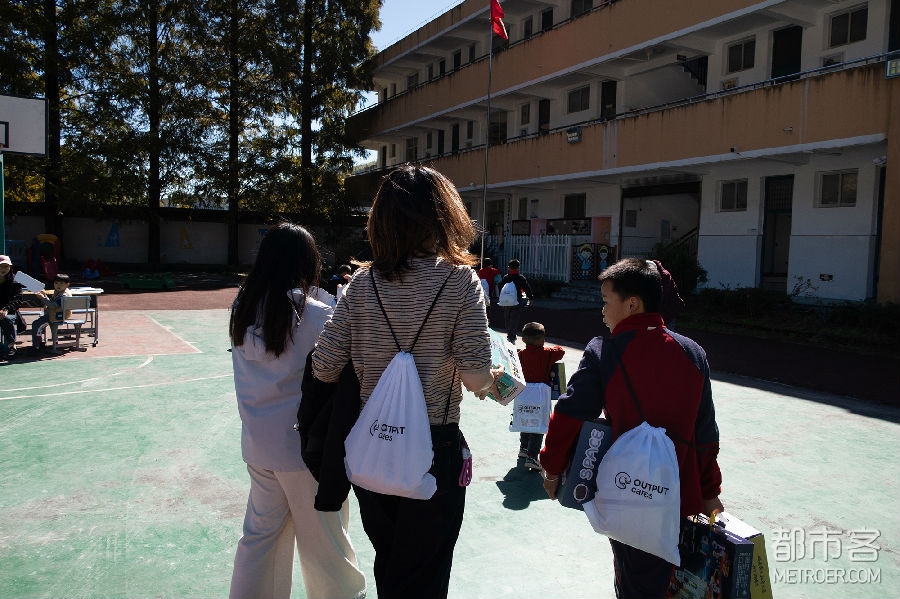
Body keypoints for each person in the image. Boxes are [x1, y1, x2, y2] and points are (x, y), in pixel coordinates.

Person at [311, 164, 502, 599]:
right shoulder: (459, 281)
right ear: (445, 216)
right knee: (425, 574)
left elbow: (324, 366)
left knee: (391, 564)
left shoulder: (361, 284)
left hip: (372, 445)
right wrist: (495, 382)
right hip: (433, 448)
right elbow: (475, 376)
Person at [539, 257, 723, 598]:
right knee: (665, 579)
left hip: (627, 491)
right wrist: (710, 492)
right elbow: (705, 434)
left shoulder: (604, 351)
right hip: (678, 495)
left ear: (632, 304)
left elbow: (570, 413)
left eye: (606, 301)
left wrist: (551, 467)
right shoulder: (693, 353)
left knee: (633, 580)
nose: (603, 312)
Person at [228, 223, 366, 599]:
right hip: (306, 450)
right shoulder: (315, 315)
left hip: (258, 446)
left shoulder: (242, 309)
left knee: (260, 538)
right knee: (325, 542)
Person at [516, 322, 565, 471]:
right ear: (543, 339)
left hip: (523, 393)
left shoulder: (521, 354)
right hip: (540, 395)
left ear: (523, 339)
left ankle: (524, 448)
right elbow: (561, 351)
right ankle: (532, 457)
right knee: (538, 425)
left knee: (525, 419)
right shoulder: (548, 353)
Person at [31, 273, 73, 353]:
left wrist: (43, 298)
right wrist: (45, 295)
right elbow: (51, 302)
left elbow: (53, 306)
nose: (58, 285)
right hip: (54, 314)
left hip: (56, 316)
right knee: (36, 324)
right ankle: (39, 343)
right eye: (56, 283)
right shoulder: (58, 292)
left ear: (67, 284)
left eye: (61, 283)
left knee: (36, 325)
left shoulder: (64, 295)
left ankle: (36, 347)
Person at [498, 258, 534, 344]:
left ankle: (509, 334)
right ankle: (512, 337)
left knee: (507, 318)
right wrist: (530, 298)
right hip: (517, 300)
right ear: (518, 268)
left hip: (506, 301)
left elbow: (501, 287)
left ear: (508, 268)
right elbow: (527, 288)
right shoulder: (520, 278)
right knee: (514, 318)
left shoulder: (506, 277)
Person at [0, 255, 25, 360]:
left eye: (6, 266)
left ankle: (11, 346)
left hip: (10, 312)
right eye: (1, 266)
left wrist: (6, 309)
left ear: (10, 267)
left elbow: (18, 300)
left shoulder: (16, 281)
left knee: (5, 319)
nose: (3, 269)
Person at [650, 259, 685, 327]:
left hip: (669, 309)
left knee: (667, 330)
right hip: (665, 309)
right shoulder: (657, 274)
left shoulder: (664, 275)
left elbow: (662, 295)